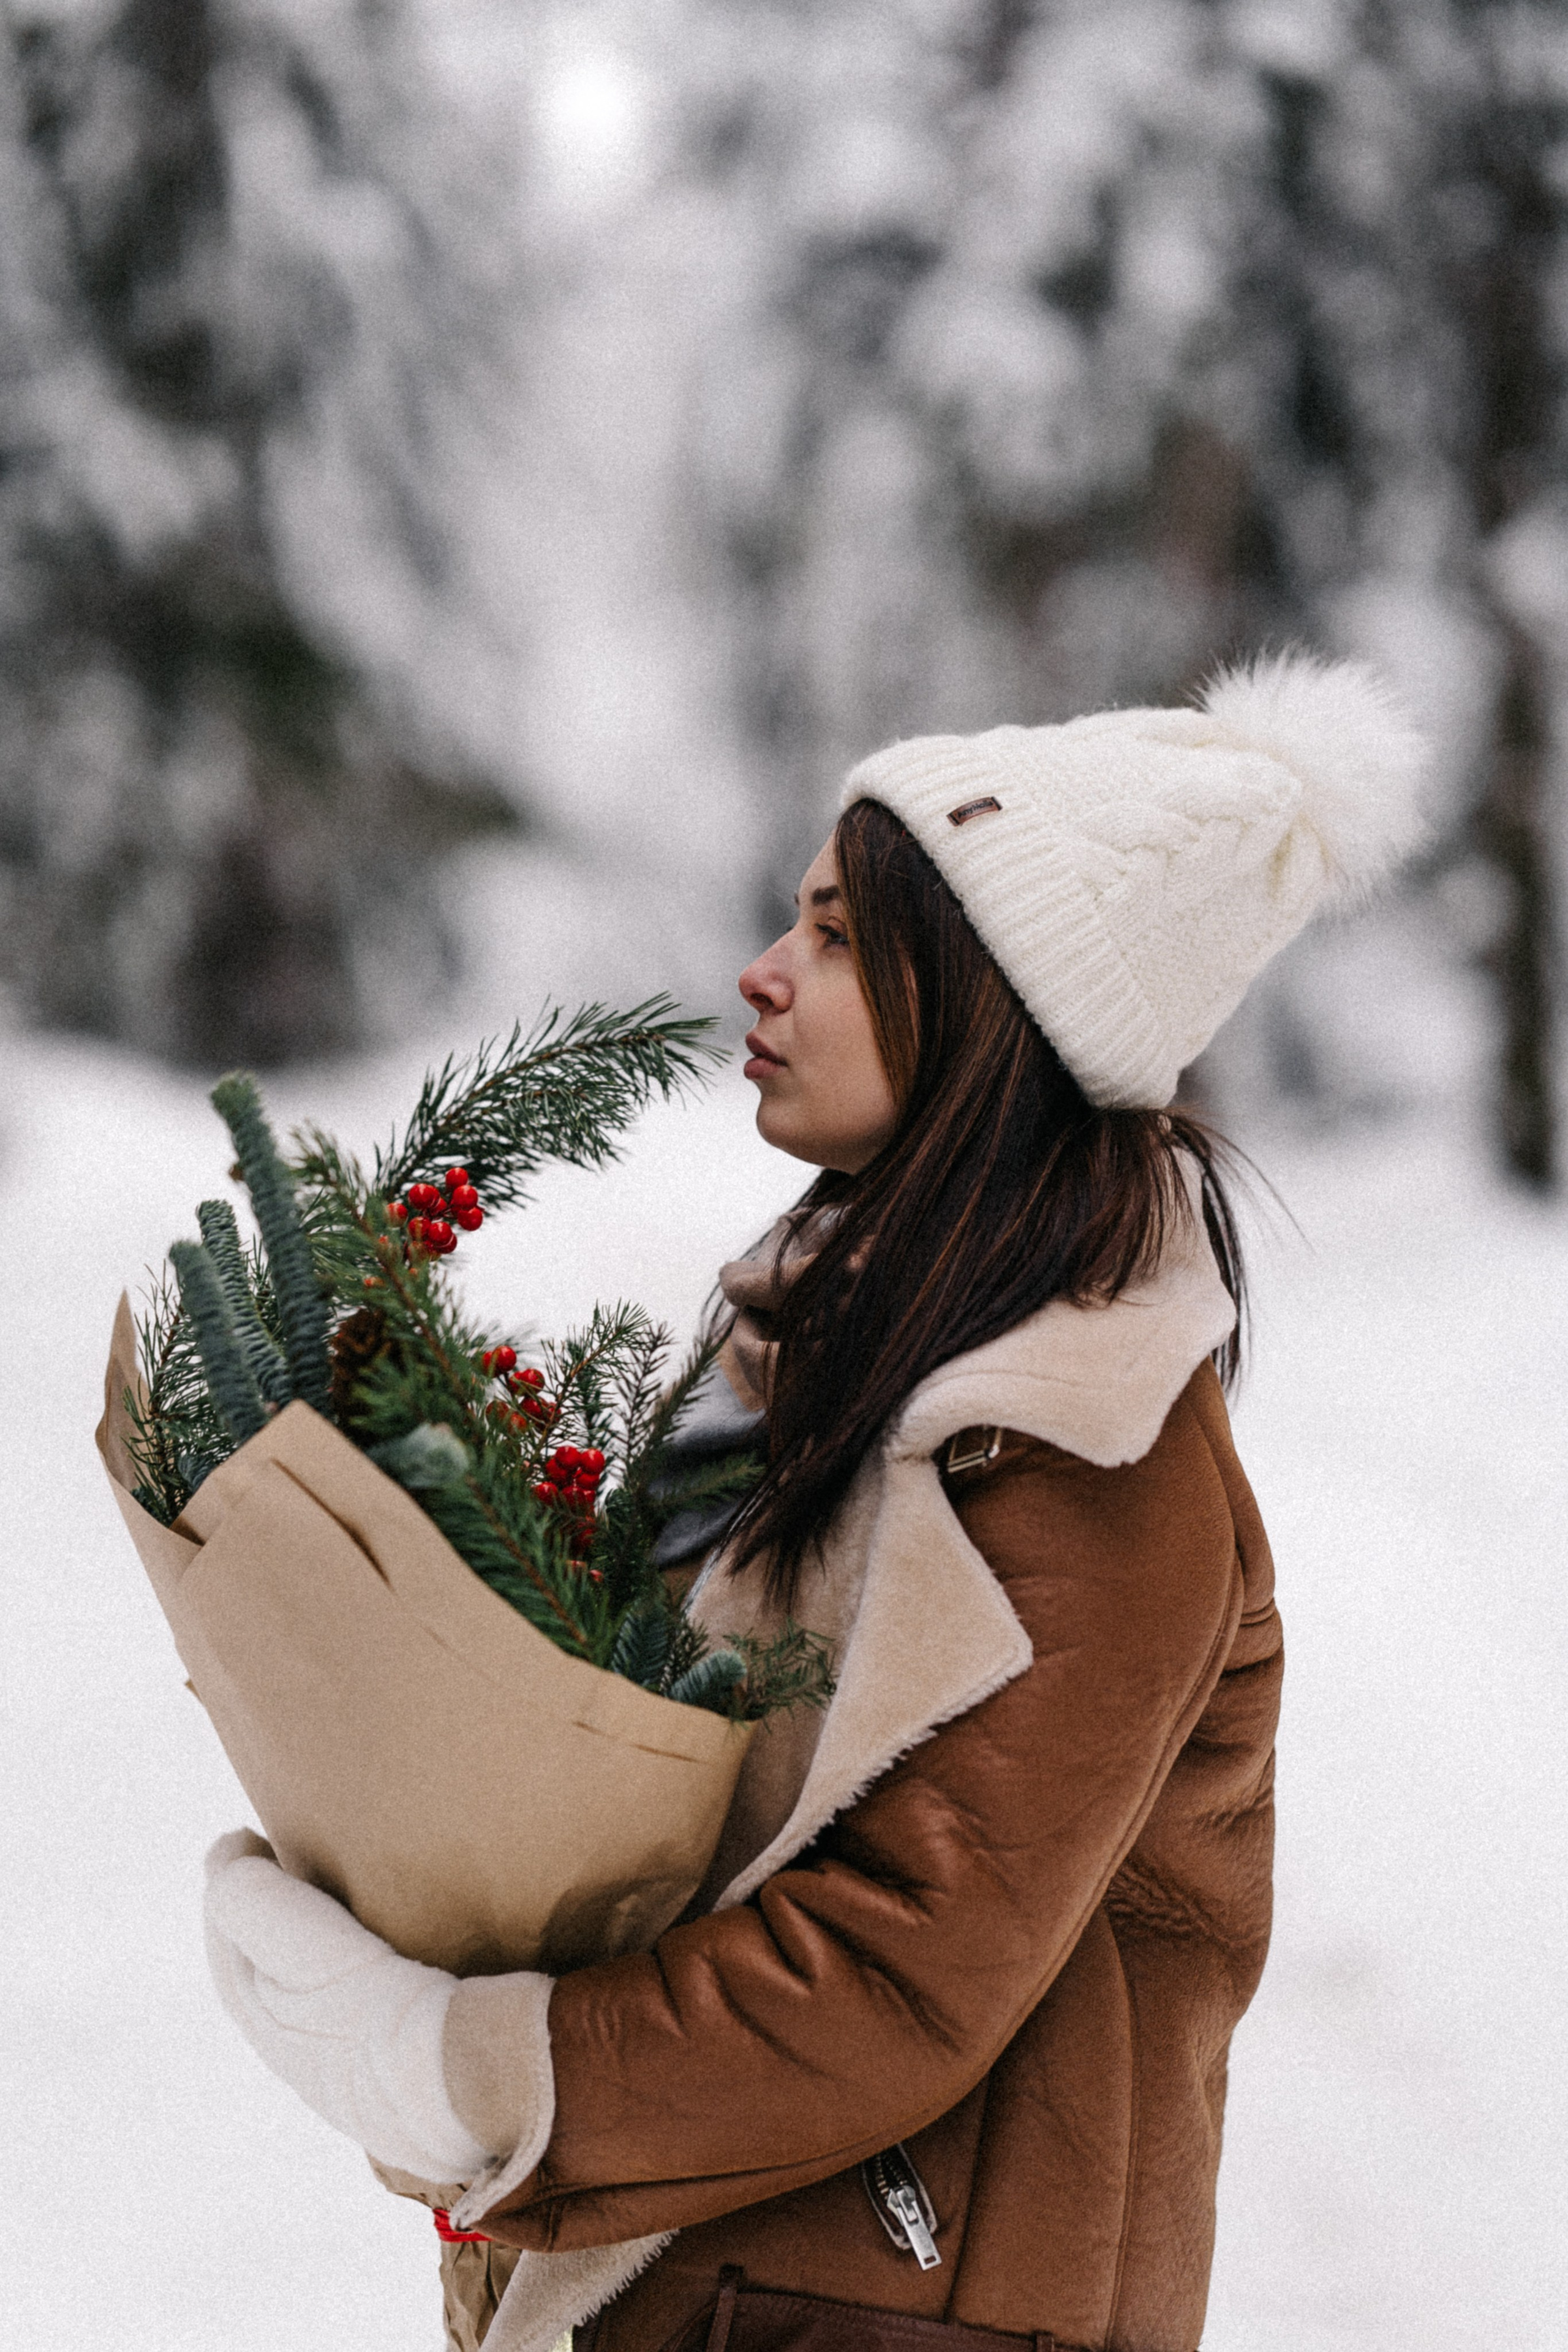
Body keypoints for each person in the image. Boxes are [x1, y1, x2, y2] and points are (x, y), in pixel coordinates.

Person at [203, 654, 1427, 2352]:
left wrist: (466, 2068)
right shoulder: (807, 1357)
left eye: (840, 937)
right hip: (707, 2276)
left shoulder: (1089, 1454)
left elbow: (900, 1969)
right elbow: (639, 1768)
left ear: (995, 1005)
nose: (765, 972)